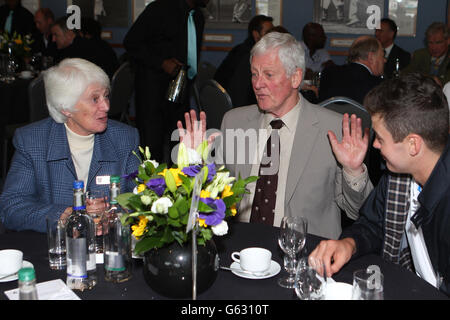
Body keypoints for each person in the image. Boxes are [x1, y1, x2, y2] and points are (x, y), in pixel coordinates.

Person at [178, 32, 374, 240]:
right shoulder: (234, 121)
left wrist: (354, 171)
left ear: (296, 77)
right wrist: (195, 163)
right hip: (241, 249)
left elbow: (359, 210)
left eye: (268, 75)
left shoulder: (331, 129)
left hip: (306, 253)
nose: (258, 83)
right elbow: (211, 197)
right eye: (254, 74)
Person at [309, 73, 450, 296]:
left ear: (413, 145)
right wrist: (349, 244)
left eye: (381, 138)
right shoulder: (399, 176)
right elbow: (373, 224)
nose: (374, 145)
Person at [0, 58, 140, 233]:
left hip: (110, 248)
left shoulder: (124, 138)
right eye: (95, 99)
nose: (106, 106)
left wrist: (114, 215)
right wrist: (66, 217)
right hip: (55, 250)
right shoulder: (32, 141)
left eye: (106, 95)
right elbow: (12, 208)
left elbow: (143, 199)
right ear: (66, 108)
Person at [123, 0, 209, 164]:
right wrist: (162, 62)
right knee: (152, 146)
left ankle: (176, 185)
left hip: (180, 89)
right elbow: (131, 42)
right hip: (153, 90)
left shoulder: (197, 17)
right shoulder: (159, 9)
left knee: (178, 144)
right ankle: (151, 185)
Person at [214, 15, 274, 108]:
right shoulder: (249, 57)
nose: (272, 37)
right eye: (268, 33)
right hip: (230, 107)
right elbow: (240, 94)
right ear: (256, 35)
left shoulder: (242, 48)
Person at [318, 36, 385, 104]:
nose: (384, 60)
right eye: (382, 56)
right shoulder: (378, 86)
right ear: (371, 57)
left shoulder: (328, 73)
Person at [51, 16, 119, 79]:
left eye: (56, 35)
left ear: (69, 34)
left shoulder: (72, 53)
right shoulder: (102, 44)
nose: (53, 39)